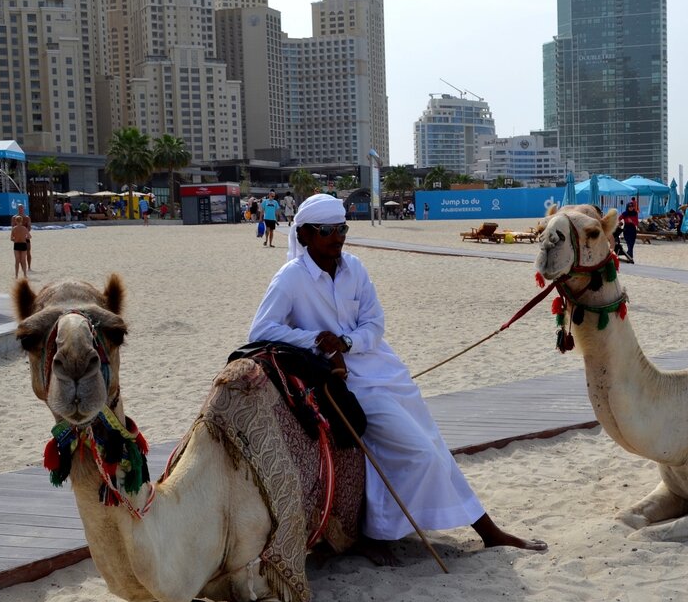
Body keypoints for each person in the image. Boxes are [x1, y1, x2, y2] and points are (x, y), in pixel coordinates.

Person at [248, 195, 547, 563]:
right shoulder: (291, 278)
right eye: (327, 231)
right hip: (344, 382)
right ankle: (378, 533)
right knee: (420, 453)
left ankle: (487, 531)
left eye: (342, 229)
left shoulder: (354, 268)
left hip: (385, 371)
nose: (337, 238)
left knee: (434, 446)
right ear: (306, 235)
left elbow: (374, 323)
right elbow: (260, 330)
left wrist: (346, 340)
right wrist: (316, 341)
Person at [11, 204, 33, 271]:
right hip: (18, 238)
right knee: (19, 255)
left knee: (28, 252)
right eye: (19, 208)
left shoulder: (27, 217)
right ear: (17, 209)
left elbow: (29, 227)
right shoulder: (14, 217)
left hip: (25, 237)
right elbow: (13, 227)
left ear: (23, 209)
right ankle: (23, 268)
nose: (20, 209)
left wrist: (25, 233)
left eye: (22, 208)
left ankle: (29, 266)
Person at [619, 198, 639, 264]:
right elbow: (619, 218)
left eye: (632, 206)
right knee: (629, 243)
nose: (631, 208)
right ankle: (630, 256)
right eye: (629, 207)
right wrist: (619, 223)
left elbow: (636, 223)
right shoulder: (625, 213)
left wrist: (632, 221)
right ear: (627, 207)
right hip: (626, 229)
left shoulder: (635, 213)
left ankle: (629, 255)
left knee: (632, 244)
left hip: (633, 229)